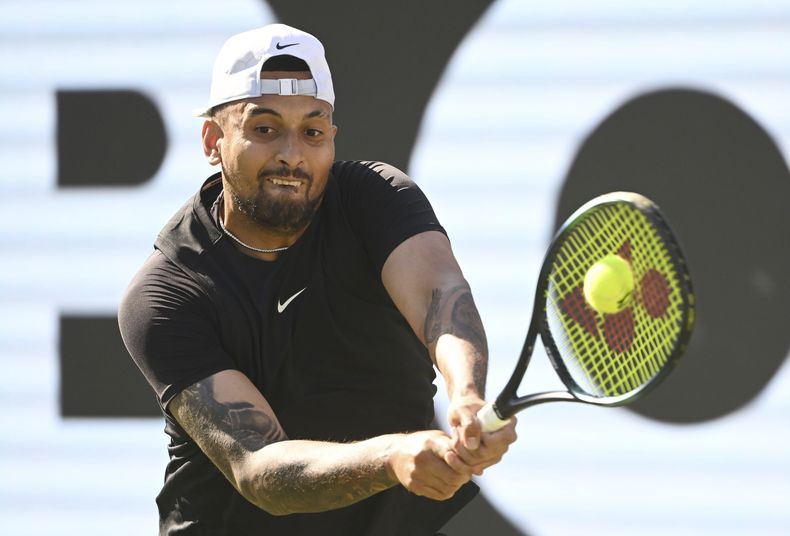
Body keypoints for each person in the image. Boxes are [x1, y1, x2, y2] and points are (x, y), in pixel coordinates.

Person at [119, 23, 517, 536]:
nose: (293, 154)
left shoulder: (374, 198)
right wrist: (394, 456)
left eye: (313, 131)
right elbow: (260, 469)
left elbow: (441, 295)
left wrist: (466, 396)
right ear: (213, 142)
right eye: (264, 129)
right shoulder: (165, 295)